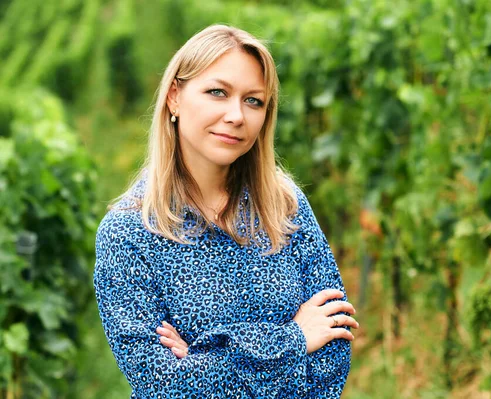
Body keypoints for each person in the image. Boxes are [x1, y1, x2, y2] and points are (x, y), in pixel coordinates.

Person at [94, 24, 359, 398]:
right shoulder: (127, 233)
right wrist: (295, 338)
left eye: (254, 101)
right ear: (174, 97)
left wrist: (201, 356)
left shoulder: (285, 206)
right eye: (217, 92)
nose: (236, 115)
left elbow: (332, 359)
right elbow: (162, 386)